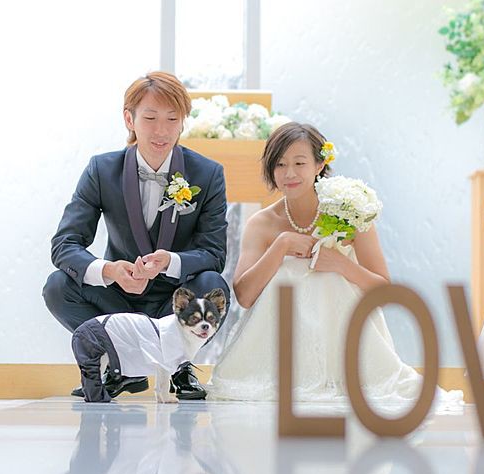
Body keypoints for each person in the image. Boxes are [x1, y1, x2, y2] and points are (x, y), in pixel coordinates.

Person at [43, 71, 229, 400]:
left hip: (174, 302)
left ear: (183, 122)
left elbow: (214, 253)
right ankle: (119, 363)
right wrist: (109, 270)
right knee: (58, 286)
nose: (162, 130)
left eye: (172, 119)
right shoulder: (102, 170)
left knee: (213, 283)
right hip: (118, 298)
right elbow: (65, 244)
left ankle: (179, 366)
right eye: (151, 118)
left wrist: (170, 262)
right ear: (129, 119)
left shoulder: (208, 173)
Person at [209, 122, 425, 403]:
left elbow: (384, 292)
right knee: (286, 273)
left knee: (329, 277)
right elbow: (245, 296)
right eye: (280, 164)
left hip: (345, 342)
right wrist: (281, 246)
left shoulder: (350, 213)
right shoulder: (262, 223)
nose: (289, 173)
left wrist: (341, 264)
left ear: (319, 165)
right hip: (281, 347)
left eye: (299, 163)